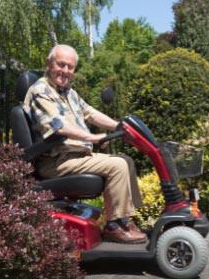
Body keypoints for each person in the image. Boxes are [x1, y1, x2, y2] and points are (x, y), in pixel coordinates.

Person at [23, 44, 147, 244]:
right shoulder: (40, 91)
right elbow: (59, 127)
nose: (65, 71)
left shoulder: (68, 92)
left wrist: (120, 127)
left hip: (77, 157)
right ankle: (115, 225)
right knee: (118, 165)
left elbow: (90, 113)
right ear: (49, 64)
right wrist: (93, 138)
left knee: (126, 160)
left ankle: (125, 218)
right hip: (56, 161)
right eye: (60, 64)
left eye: (70, 67)